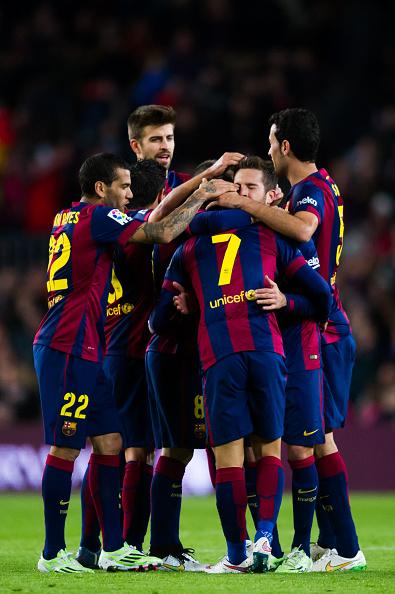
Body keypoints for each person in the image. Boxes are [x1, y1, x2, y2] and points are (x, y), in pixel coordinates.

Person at [33, 152, 233, 573]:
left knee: (110, 443)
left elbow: (147, 217)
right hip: (67, 345)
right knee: (66, 446)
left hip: (90, 346)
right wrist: (203, 194)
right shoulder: (100, 218)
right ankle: (52, 553)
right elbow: (160, 230)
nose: (128, 194)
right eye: (123, 187)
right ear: (101, 189)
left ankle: (113, 547)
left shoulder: (67, 217)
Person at [150, 177, 332, 573]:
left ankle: (236, 554)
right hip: (268, 352)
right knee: (269, 451)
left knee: (230, 459)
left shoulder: (187, 249)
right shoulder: (269, 236)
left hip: (219, 357)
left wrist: (190, 305)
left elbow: (157, 322)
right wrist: (286, 301)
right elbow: (323, 298)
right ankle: (266, 535)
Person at [211, 108, 366, 572]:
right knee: (310, 442)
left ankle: (345, 548)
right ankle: (327, 542)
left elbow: (303, 231)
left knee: (314, 443)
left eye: (271, 140)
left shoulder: (311, 192)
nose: (270, 147)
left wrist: (243, 204)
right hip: (310, 326)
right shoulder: (317, 186)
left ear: (284, 146)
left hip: (318, 328)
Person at [127, 104, 244, 570]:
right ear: (136, 144)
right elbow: (157, 224)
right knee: (147, 446)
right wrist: (209, 180)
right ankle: (144, 545)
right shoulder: (132, 192)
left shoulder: (179, 186)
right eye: (156, 139)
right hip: (149, 337)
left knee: (176, 444)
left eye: (170, 138)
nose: (165, 147)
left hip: (185, 337)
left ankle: (150, 545)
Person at [76, 159, 167, 569]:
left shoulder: (101, 229)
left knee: (105, 450)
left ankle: (90, 545)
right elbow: (161, 228)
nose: (127, 193)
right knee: (135, 453)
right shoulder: (133, 233)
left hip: (105, 345)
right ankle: (125, 544)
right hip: (128, 350)